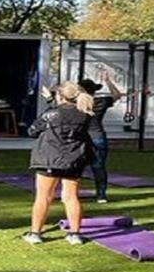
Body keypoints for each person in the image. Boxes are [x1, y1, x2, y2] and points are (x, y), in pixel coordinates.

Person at [23, 81, 95, 246]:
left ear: (60, 96)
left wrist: (50, 107)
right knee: (71, 197)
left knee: (44, 197)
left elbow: (32, 131)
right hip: (73, 159)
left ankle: (35, 233)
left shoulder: (51, 114)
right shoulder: (85, 114)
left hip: (50, 158)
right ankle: (75, 234)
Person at [77, 69, 128, 203]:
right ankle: (101, 195)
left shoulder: (77, 103)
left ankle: (72, 193)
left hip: (81, 137)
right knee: (98, 166)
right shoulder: (101, 101)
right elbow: (117, 95)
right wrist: (108, 81)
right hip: (97, 136)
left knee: (75, 166)